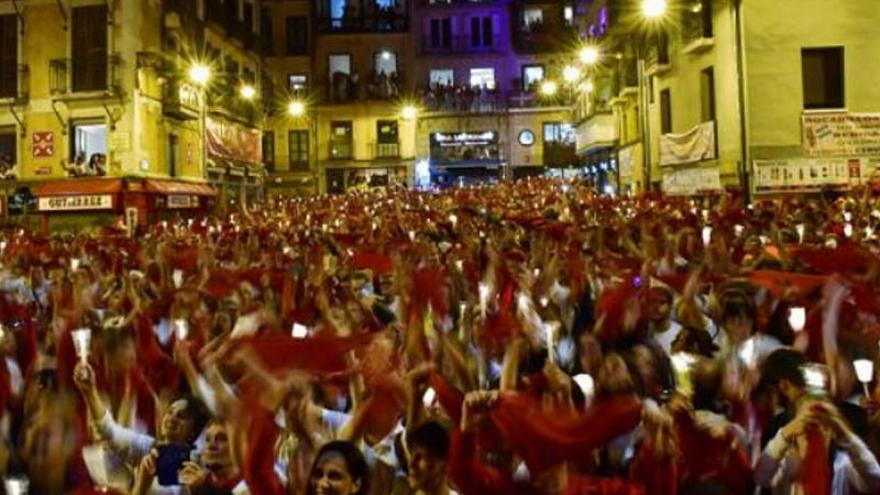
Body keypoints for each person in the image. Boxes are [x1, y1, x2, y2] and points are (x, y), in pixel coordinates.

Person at [755, 349, 880, 494]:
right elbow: (760, 478)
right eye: (807, 425)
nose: (814, 433)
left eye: (823, 426)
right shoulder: (787, 464)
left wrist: (847, 438)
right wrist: (785, 434)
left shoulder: (842, 465)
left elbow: (875, 480)